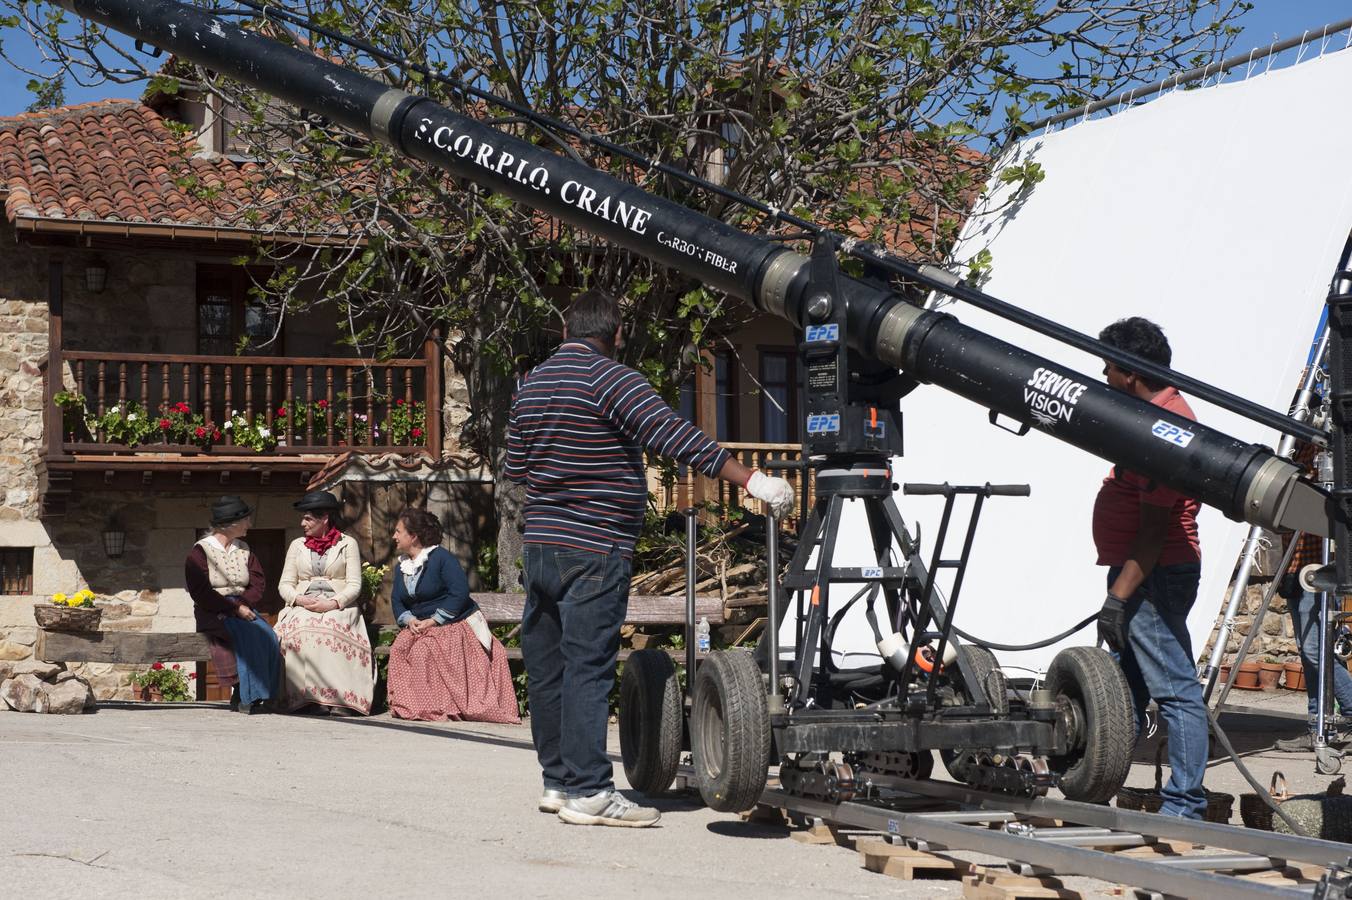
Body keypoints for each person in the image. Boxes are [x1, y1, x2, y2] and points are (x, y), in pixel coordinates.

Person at [505, 288, 795, 828]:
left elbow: (517, 467)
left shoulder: (531, 385)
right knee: (588, 669)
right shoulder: (615, 379)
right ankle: (591, 792)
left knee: (549, 669)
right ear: (616, 334)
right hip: (595, 546)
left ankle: (558, 782)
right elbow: (675, 436)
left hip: (541, 545)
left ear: (565, 332)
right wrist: (752, 478)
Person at [1092, 317, 1208, 819]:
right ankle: (1095, 780)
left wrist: (1119, 595)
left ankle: (1185, 804)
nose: (1103, 375)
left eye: (1109, 368)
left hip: (1153, 575)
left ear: (1131, 374)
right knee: (1127, 689)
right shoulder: (1153, 413)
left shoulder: (1167, 429)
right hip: (1144, 572)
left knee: (1176, 690)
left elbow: (1155, 531)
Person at [387, 508, 519, 724]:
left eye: (398, 531)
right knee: (400, 648)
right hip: (419, 626)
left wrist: (434, 620)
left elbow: (459, 593)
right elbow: (397, 600)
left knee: (423, 651)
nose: (394, 536)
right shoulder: (403, 566)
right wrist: (409, 620)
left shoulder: (441, 558)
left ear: (413, 536)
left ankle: (437, 706)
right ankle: (411, 705)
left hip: (451, 624)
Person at [275, 490, 374, 716]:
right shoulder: (297, 545)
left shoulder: (347, 544)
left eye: (308, 518)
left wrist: (333, 604)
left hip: (338, 604)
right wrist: (298, 599)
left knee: (330, 627)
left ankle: (340, 699)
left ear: (325, 519)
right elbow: (285, 584)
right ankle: (305, 698)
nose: (303, 523)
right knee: (300, 629)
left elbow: (354, 585)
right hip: (303, 603)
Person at [184, 496, 281, 713]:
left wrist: (241, 604)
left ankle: (267, 694)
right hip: (212, 610)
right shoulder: (201, 551)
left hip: (243, 606)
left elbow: (258, 583)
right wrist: (233, 608)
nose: (250, 524)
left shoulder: (244, 549)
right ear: (232, 523)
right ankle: (247, 696)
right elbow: (200, 592)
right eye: (246, 520)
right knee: (245, 633)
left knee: (270, 636)